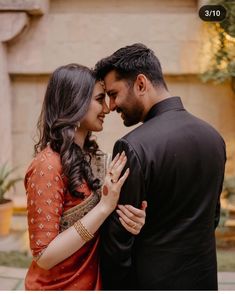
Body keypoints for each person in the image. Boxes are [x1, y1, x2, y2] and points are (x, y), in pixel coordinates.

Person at [94, 43, 226, 290]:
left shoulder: (131, 146)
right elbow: (213, 216)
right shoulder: (214, 138)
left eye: (113, 94)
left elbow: (119, 240)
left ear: (141, 84)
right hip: (204, 279)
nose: (111, 106)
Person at [24, 63, 147, 290]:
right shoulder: (47, 165)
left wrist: (132, 219)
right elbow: (44, 255)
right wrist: (104, 208)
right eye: (100, 99)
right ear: (75, 103)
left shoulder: (92, 158)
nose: (107, 109)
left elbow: (103, 226)